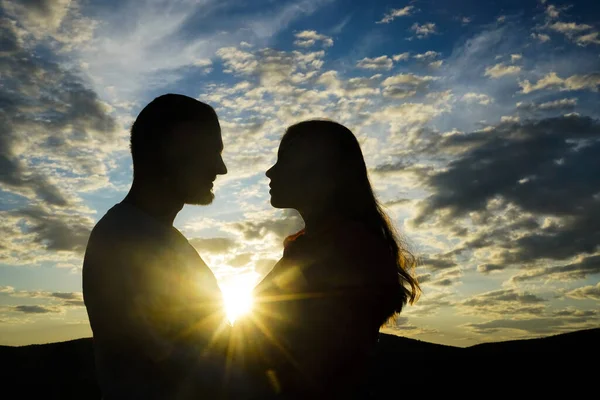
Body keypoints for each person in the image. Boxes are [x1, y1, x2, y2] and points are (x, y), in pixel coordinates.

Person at [237, 120, 420, 399]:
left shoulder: (347, 251)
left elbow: (317, 360)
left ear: (318, 172)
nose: (270, 172)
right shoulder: (314, 247)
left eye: (283, 160)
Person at [82, 94, 231, 399]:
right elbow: (196, 367)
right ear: (173, 150)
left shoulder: (150, 236)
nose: (221, 168)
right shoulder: (128, 242)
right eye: (212, 152)